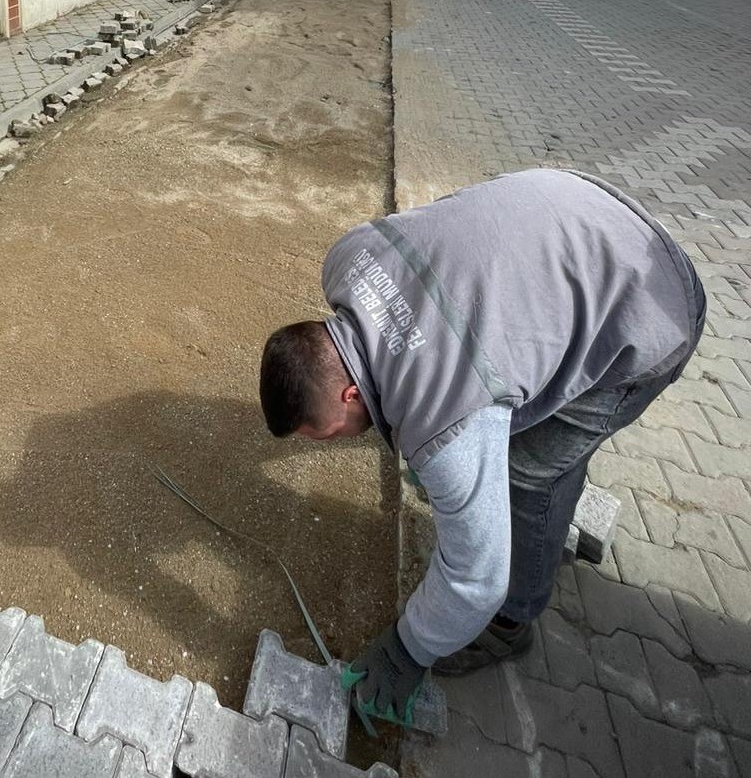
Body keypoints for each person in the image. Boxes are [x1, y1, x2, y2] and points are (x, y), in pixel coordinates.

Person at [258, 170, 705, 726]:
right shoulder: (349, 256)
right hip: (588, 215)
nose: (333, 443)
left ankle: (513, 624)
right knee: (505, 422)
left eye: (326, 434)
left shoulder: (445, 432)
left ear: (350, 393)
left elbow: (474, 581)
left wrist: (408, 650)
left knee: (530, 474)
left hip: (652, 310)